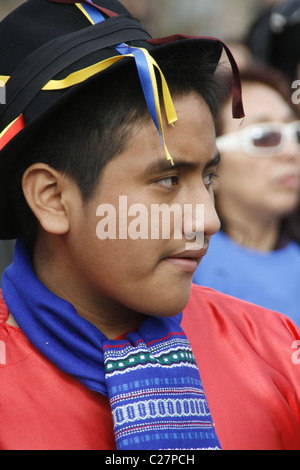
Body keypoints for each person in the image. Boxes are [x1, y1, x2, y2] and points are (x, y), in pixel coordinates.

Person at [0, 0, 300, 451]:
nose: (208, 219)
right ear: (53, 198)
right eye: (166, 180)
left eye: (209, 178)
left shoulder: (275, 349)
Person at [193, 65, 300, 325]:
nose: (291, 152)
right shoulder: (186, 267)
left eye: (295, 133)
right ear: (209, 163)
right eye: (263, 137)